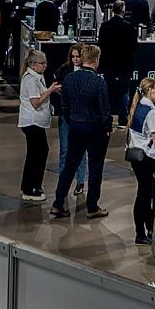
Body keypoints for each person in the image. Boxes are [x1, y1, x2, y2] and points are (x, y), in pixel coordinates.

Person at [49, 44, 112, 220]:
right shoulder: (99, 82)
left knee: (69, 166)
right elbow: (104, 109)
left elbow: (64, 106)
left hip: (75, 127)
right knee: (95, 168)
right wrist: (107, 127)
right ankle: (92, 207)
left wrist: (72, 121)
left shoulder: (69, 79)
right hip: (95, 129)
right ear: (96, 60)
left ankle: (58, 204)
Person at [125, 76, 155, 246]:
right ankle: (141, 234)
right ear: (149, 90)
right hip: (148, 158)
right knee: (144, 195)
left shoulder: (139, 106)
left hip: (136, 157)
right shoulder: (151, 112)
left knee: (144, 194)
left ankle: (148, 229)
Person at [16, 50, 57, 201]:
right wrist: (50, 90)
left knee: (40, 152)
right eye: (42, 63)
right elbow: (35, 102)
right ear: (33, 64)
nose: (45, 66)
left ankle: (34, 185)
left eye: (45, 63)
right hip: (32, 122)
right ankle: (30, 188)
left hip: (37, 123)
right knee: (36, 154)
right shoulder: (31, 80)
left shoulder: (37, 77)